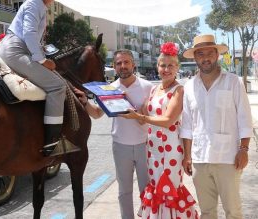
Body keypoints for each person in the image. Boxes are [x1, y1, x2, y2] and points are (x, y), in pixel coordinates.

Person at [119, 42, 198, 218]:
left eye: (171, 65)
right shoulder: (155, 89)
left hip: (171, 152)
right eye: (163, 65)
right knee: (156, 188)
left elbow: (168, 121)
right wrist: (123, 100)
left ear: (177, 68)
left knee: (170, 190)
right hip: (152, 150)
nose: (166, 69)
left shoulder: (179, 90)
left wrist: (140, 117)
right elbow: (142, 115)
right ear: (158, 66)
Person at [181, 34, 253, 219]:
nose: (205, 58)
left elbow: (245, 118)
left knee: (233, 211)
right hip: (200, 159)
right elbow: (188, 125)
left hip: (228, 158)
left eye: (210, 53)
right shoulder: (189, 86)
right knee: (206, 212)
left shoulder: (233, 82)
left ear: (217, 55)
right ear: (195, 58)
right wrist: (187, 156)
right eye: (200, 54)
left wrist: (244, 149)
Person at [75, 49, 153, 219]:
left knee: (147, 190)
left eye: (126, 62)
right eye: (118, 63)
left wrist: (125, 102)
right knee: (124, 191)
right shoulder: (109, 88)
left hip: (143, 144)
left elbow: (143, 120)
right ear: (114, 67)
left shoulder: (148, 87)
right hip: (120, 146)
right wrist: (85, 101)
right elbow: (96, 114)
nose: (123, 66)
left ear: (133, 64)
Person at [0, 0, 74, 157]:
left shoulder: (38, 6)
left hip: (8, 49)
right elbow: (29, 33)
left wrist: (40, 51)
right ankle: (52, 143)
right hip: (15, 51)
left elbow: (31, 37)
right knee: (57, 86)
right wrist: (43, 60)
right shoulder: (35, 4)